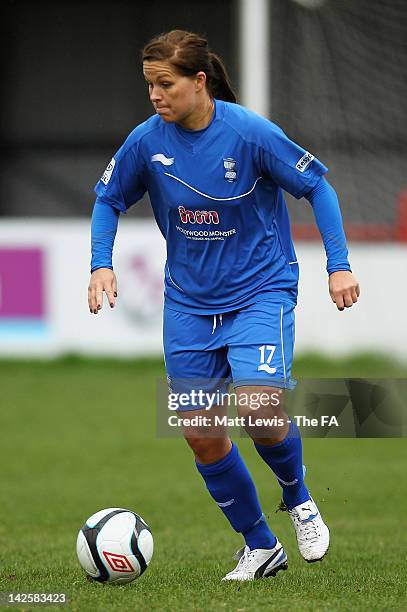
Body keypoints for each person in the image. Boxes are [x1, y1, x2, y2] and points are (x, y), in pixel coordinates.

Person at [88, 30, 360, 581]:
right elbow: (108, 198)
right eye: (149, 86)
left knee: (259, 409)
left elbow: (318, 188)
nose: (156, 96)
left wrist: (339, 264)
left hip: (261, 290)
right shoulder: (146, 141)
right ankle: (260, 546)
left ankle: (299, 498)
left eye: (166, 84)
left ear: (200, 81)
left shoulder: (249, 133)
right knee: (201, 432)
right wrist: (100, 262)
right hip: (189, 305)